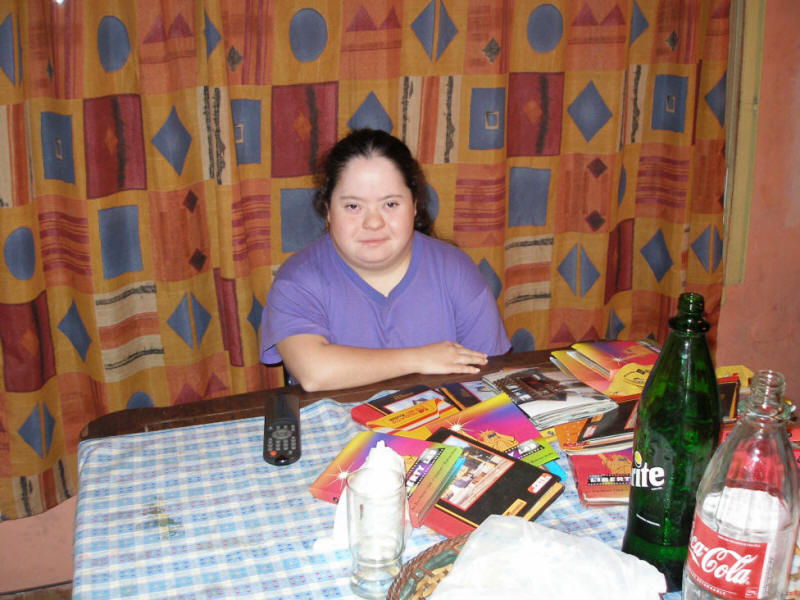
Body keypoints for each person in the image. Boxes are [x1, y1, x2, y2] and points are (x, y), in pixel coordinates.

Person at [260, 128, 511, 391]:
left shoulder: (456, 271)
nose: (373, 222)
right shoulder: (298, 279)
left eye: (390, 204)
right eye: (353, 206)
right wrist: (420, 359)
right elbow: (314, 373)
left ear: (414, 206)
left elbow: (491, 380)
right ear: (328, 211)